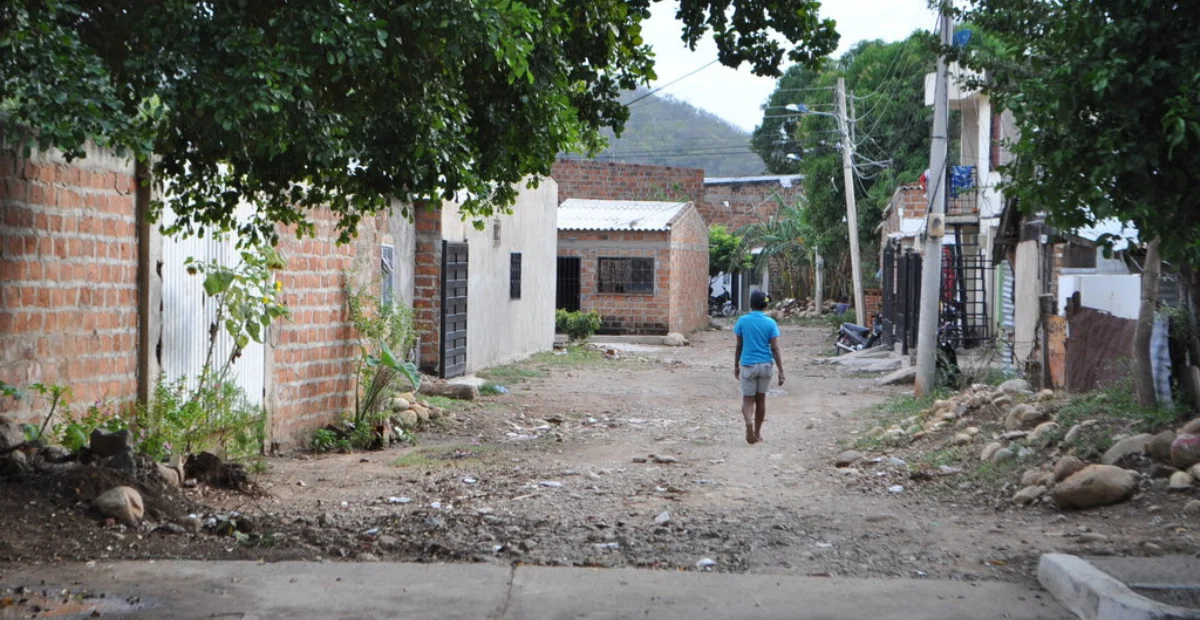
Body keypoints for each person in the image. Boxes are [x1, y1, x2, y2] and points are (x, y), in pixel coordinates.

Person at [733, 290, 784, 444]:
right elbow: (775, 348)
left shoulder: (742, 321)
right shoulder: (770, 323)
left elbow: (739, 345)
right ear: (766, 305)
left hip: (748, 365)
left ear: (751, 304)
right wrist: (781, 370)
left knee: (748, 400)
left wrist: (736, 365)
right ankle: (758, 433)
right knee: (761, 400)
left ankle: (748, 422)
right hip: (766, 365)